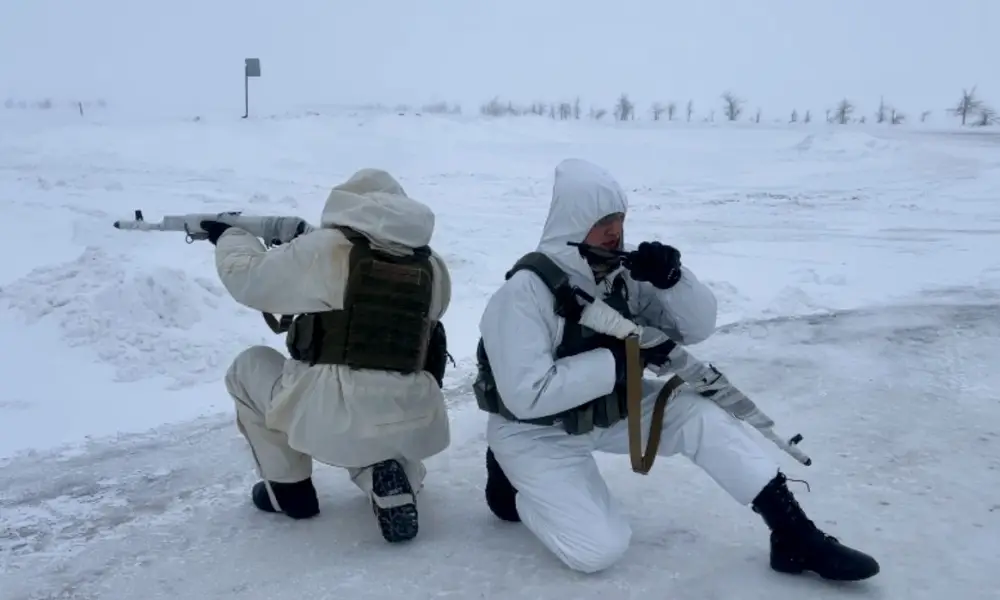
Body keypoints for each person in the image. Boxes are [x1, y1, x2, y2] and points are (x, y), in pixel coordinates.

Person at [473, 158, 880, 580]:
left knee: (700, 413)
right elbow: (528, 395)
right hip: (535, 431)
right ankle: (511, 485)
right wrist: (620, 360)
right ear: (574, 222)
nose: (615, 231)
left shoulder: (621, 276)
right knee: (598, 550)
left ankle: (794, 534)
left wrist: (674, 281)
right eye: (604, 221)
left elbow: (696, 328)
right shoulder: (523, 294)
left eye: (620, 219)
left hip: (607, 409)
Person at [200, 168, 453, 544]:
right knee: (371, 408)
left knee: (249, 367)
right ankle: (394, 477)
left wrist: (231, 236)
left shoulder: (327, 249)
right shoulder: (433, 266)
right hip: (413, 418)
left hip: (336, 415)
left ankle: (288, 490)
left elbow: (248, 278)